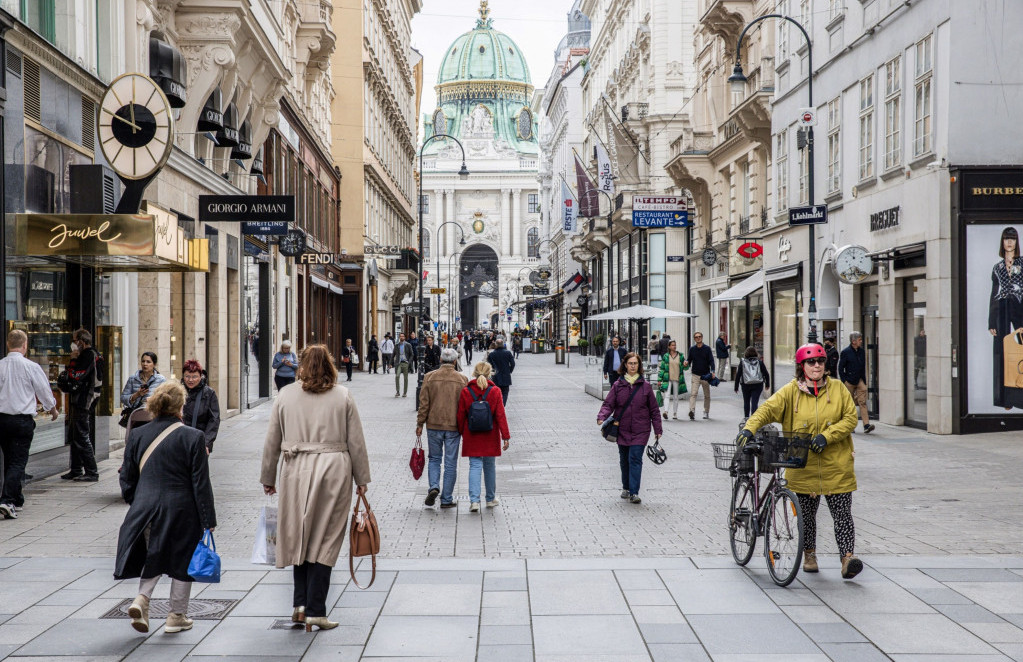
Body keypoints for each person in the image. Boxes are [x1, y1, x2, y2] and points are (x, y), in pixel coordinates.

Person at [261, 345, 371, 631]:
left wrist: (268, 477)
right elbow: (356, 441)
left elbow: (272, 439)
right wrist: (362, 480)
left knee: (299, 534)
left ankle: (300, 605)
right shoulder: (343, 396)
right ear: (330, 366)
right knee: (326, 537)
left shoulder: (285, 395)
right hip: (334, 468)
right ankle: (316, 610)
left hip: (296, 468)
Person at [736, 343, 863, 580]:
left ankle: (848, 558)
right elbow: (766, 410)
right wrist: (749, 429)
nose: (817, 366)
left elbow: (849, 419)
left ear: (826, 365)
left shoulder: (837, 389)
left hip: (836, 466)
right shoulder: (790, 391)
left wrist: (827, 435)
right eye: (811, 362)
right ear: (801, 366)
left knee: (843, 515)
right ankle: (809, 555)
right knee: (806, 517)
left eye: (820, 362)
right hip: (802, 467)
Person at [115, 381, 217, 634]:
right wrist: (208, 519)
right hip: (183, 508)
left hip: (146, 507)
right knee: (183, 559)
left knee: (154, 554)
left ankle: (142, 599)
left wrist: (137, 501)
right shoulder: (194, 437)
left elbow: (126, 477)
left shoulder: (138, 435)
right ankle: (176, 616)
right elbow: (200, 482)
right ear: (181, 407)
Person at [0, 330, 58, 520]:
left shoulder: (0, 366)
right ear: (25, 346)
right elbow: (43, 390)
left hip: (2, 420)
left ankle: (17, 499)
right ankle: (7, 500)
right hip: (22, 421)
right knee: (18, 461)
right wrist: (52, 409)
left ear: (8, 345)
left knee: (10, 458)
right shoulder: (30, 366)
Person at [597, 352, 661, 504]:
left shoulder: (645, 387)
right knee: (624, 459)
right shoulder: (618, 385)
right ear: (625, 365)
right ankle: (626, 487)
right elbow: (609, 404)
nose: (633, 366)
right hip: (622, 429)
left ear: (639, 366)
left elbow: (654, 410)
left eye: (635, 363)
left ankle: (634, 492)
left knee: (635, 458)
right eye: (630, 363)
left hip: (641, 430)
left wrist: (658, 429)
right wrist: (602, 416)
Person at [417, 348, 468, 509]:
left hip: (433, 424)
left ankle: (433, 487)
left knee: (434, 459)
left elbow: (424, 404)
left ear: (440, 360)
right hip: (453, 427)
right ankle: (446, 499)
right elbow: (465, 406)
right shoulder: (462, 379)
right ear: (454, 361)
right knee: (451, 462)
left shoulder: (429, 377)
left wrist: (420, 424)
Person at [458, 362, 511, 512]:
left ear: (474, 373)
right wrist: (505, 436)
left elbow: (461, 415)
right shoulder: (495, 391)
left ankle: (474, 501)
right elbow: (501, 415)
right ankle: (490, 498)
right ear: (490, 373)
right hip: (490, 434)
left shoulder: (466, 391)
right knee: (489, 466)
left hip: (472, 434)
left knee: (474, 466)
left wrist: (461, 432)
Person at [989, 227, 1023, 409]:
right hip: (1001, 307)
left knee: (1021, 351)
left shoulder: (1022, 263)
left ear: (1017, 242)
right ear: (1002, 242)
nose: (1009, 242)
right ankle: (1003, 398)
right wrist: (991, 320)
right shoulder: (997, 267)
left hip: (1020, 307)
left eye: (1012, 239)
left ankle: (1019, 395)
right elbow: (993, 294)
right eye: (1006, 239)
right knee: (1000, 352)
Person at [65, 329, 101, 482]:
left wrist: (73, 360)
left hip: (84, 400)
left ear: (81, 341)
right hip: (80, 399)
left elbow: (75, 376)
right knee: (75, 434)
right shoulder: (90, 355)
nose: (73, 344)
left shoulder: (89, 355)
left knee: (81, 434)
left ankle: (91, 471)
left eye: (75, 340)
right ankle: (76, 469)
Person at [181, 359, 221, 454]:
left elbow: (214, 420)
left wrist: (206, 443)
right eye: (187, 376)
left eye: (194, 377)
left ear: (200, 376)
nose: (190, 380)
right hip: (180, 441)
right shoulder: (178, 391)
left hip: (200, 442)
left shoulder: (209, 393)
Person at [839, 332, 874, 433]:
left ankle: (866, 425)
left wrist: (864, 380)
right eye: (859, 340)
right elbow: (841, 368)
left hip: (859, 380)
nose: (861, 341)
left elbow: (863, 366)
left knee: (862, 402)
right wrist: (844, 381)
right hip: (849, 381)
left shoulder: (862, 352)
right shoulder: (845, 352)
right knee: (849, 404)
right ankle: (851, 425)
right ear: (853, 341)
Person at [684, 332, 715, 420]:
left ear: (702, 337)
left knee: (707, 395)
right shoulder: (692, 349)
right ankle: (692, 411)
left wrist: (712, 371)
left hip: (705, 375)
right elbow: (689, 360)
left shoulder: (707, 348)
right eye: (696, 337)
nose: (698, 338)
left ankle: (706, 411)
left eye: (699, 336)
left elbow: (711, 361)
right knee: (693, 394)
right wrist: (686, 362)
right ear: (694, 339)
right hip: (695, 375)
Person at [734, 346, 771, 420]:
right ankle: (754, 419)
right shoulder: (759, 362)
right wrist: (767, 384)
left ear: (746, 353)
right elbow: (766, 374)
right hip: (758, 384)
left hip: (746, 385)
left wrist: (736, 387)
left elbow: (738, 375)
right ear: (755, 353)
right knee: (754, 402)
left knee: (746, 401)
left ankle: (746, 418)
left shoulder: (742, 362)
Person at [657, 340, 688, 420]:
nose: (674, 346)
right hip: (667, 379)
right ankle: (666, 412)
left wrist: (686, 364)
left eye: (675, 345)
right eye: (672, 345)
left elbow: (685, 368)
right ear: (669, 347)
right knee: (666, 396)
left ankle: (675, 413)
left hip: (677, 379)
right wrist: (659, 380)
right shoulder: (666, 356)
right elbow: (662, 368)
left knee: (675, 396)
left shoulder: (680, 356)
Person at [486, 338, 516, 404]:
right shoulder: (508, 353)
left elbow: (488, 366)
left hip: (496, 377)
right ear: (503, 345)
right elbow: (513, 364)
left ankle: (498, 406)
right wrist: (509, 371)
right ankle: (502, 406)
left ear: (496, 344)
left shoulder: (492, 354)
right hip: (506, 375)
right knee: (505, 393)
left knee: (496, 393)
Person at [394, 333, 414, 397]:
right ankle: (398, 391)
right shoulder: (397, 345)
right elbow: (393, 354)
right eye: (400, 336)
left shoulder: (408, 345)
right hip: (399, 363)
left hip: (405, 363)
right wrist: (390, 363)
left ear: (404, 337)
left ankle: (404, 392)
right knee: (397, 376)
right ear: (399, 337)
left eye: (403, 336)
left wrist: (409, 362)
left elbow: (412, 354)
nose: (401, 337)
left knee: (405, 378)